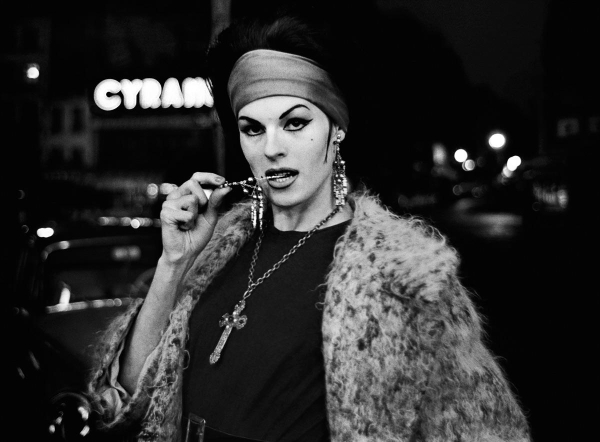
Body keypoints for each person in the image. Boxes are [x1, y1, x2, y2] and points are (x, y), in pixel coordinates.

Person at [86, 5, 531, 442]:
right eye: (252, 129)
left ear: (335, 128)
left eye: (295, 123)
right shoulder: (214, 250)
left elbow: (482, 427)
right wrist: (174, 263)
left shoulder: (405, 274)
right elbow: (126, 403)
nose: (271, 148)